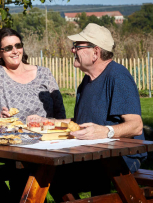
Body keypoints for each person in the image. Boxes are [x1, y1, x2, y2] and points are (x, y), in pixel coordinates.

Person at [30, 23, 147, 202]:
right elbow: (79, 122)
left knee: (52, 174)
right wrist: (47, 122)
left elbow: (136, 125)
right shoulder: (87, 81)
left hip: (120, 157)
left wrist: (106, 132)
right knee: (42, 169)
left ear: (96, 52)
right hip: (93, 154)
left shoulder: (117, 76)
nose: (72, 50)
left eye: (77, 46)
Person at [0, 27, 66, 122]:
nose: (15, 51)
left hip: (47, 134)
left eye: (18, 45)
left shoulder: (44, 73)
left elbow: (60, 112)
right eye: (8, 48)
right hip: (12, 135)